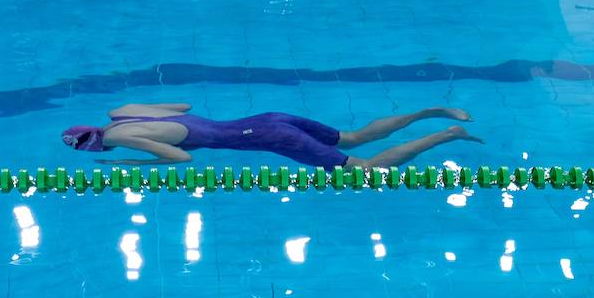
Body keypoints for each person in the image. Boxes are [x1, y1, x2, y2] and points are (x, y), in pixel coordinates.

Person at [61, 104, 480, 169]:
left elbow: (181, 160)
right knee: (352, 137)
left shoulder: (123, 142)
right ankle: (433, 110)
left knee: (365, 171)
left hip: (270, 138)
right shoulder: (122, 114)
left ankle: (446, 134)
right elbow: (184, 107)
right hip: (268, 116)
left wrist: (129, 164)